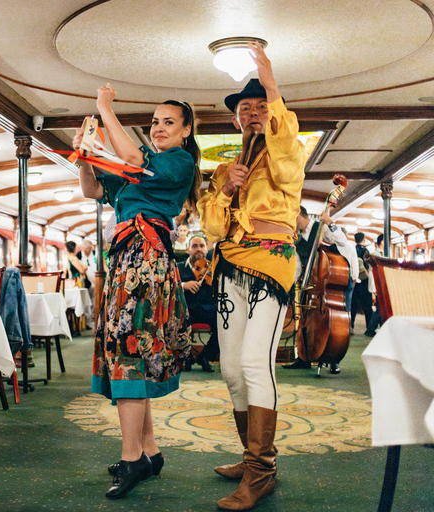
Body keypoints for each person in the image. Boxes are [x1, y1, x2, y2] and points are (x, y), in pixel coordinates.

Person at [77, 84, 200, 499]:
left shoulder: (176, 163)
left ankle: (131, 460)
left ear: (185, 132)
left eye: (169, 122)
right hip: (127, 263)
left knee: (129, 355)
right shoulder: (136, 171)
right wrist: (85, 156)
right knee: (132, 355)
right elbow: (93, 190)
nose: (160, 128)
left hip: (145, 263)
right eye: (155, 123)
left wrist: (104, 110)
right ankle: (148, 452)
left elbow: (130, 155)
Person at [197, 43, 305, 510]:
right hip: (231, 264)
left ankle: (262, 470)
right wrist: (225, 190)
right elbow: (212, 227)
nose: (256, 113)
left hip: (271, 261)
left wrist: (270, 79)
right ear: (236, 119)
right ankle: (250, 455)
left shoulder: (287, 147)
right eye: (247, 108)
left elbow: (284, 159)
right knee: (229, 367)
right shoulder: (225, 167)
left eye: (263, 106)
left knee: (256, 364)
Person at [286, 206, 358, 373]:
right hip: (308, 286)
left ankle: (333, 358)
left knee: (331, 322)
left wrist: (330, 223)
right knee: (304, 320)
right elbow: (298, 264)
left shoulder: (320, 228)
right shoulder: (297, 239)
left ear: (297, 217)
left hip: (324, 286)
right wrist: (294, 284)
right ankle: (304, 357)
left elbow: (342, 241)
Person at [178, 234, 219, 372]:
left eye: (202, 246)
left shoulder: (213, 269)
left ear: (207, 249)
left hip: (207, 309)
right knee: (177, 323)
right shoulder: (178, 267)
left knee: (224, 325)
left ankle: (205, 356)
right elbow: (169, 286)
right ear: (188, 249)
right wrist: (183, 285)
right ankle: (186, 357)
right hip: (186, 309)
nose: (198, 249)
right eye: (194, 246)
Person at [351, 232, 375, 336]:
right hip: (364, 281)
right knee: (367, 306)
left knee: (353, 305)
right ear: (364, 239)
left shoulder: (353, 250)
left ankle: (350, 326)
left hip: (355, 281)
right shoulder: (366, 251)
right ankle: (369, 327)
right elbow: (368, 265)